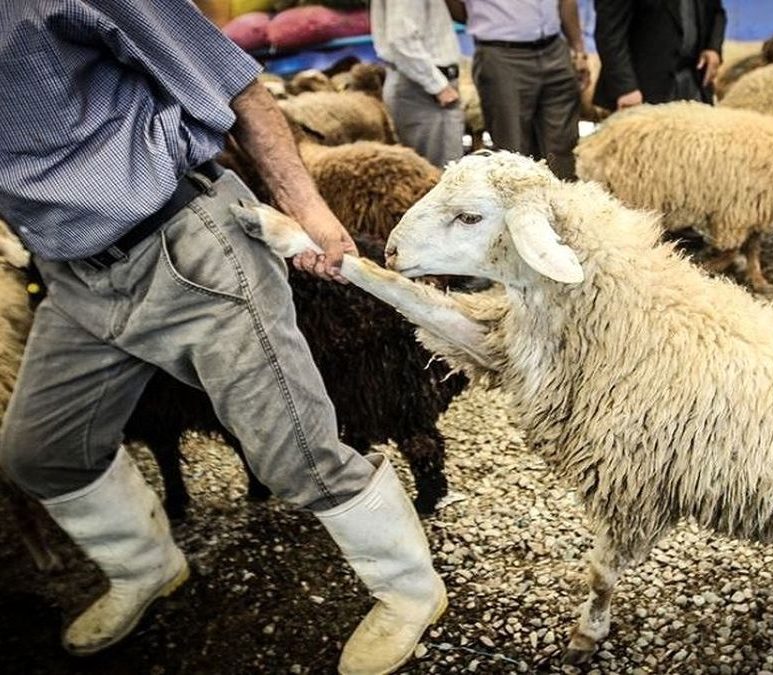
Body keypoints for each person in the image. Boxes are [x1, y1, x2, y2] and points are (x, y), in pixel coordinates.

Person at [0, 2, 443, 673]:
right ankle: (147, 566)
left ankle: (411, 590)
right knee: (40, 451)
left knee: (297, 451)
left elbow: (234, 79)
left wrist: (311, 211)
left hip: (184, 243)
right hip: (72, 274)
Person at [445, 0, 590, 179]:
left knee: (564, 147)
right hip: (502, 54)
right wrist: (486, 19)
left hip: (554, 49)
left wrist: (578, 49)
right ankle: (523, 204)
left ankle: (565, 203)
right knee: (514, 152)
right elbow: (456, 9)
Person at [371, 0, 465, 168]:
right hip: (423, 90)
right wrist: (438, 86)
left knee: (442, 172)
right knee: (443, 175)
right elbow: (402, 38)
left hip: (421, 84)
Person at [593, 0, 726, 111]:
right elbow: (609, 35)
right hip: (643, 92)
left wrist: (713, 47)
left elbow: (717, 11)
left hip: (694, 84)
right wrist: (626, 89)